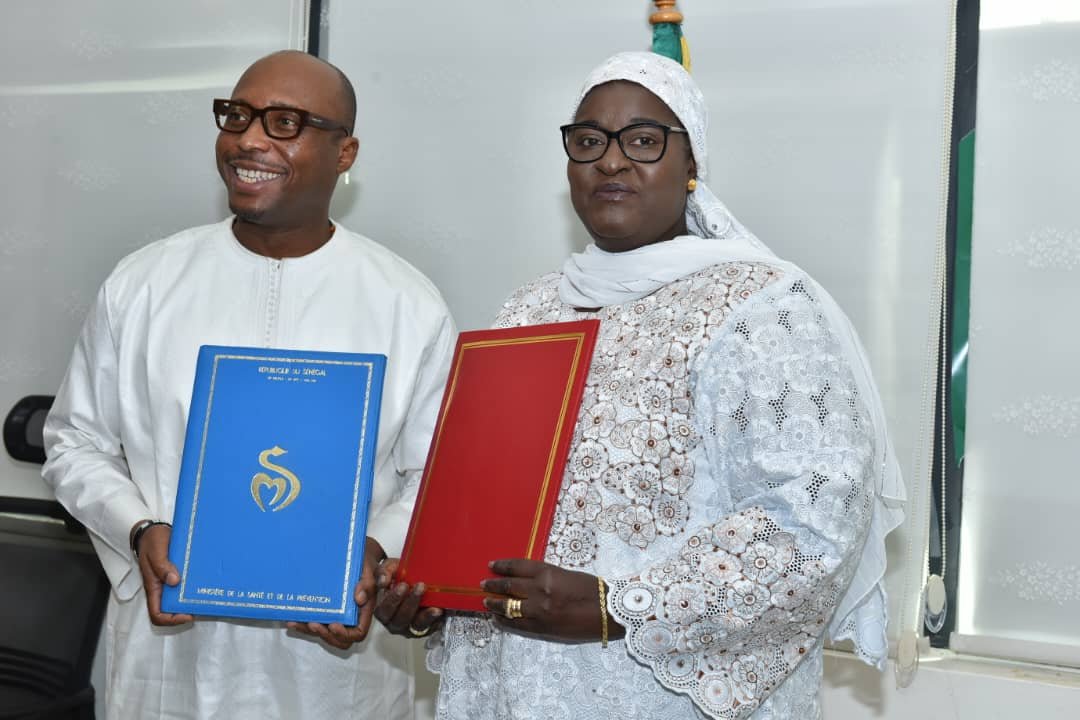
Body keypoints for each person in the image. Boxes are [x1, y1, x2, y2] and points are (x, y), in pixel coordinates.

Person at [375, 51, 905, 719]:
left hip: (652, 698)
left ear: (691, 165)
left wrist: (618, 606)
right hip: (507, 691)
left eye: (645, 140)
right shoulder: (529, 312)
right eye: (589, 141)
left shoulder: (764, 307)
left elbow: (818, 516)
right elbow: (484, 502)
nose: (612, 161)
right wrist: (437, 599)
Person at [42, 50, 456, 719]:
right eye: (236, 115)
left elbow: (434, 475)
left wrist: (373, 556)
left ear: (344, 152)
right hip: (171, 659)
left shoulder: (406, 304)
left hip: (332, 666)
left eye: (284, 122)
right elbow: (73, 442)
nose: (248, 139)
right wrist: (138, 526)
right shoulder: (144, 284)